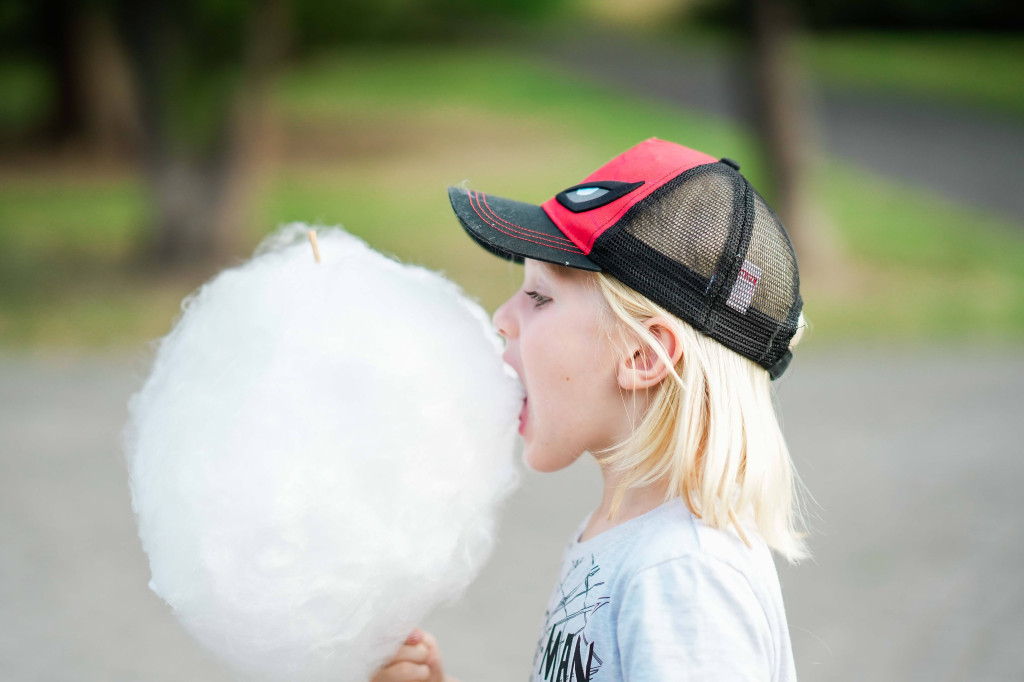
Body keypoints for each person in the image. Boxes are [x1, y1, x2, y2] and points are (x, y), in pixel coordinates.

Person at [371, 138, 810, 682]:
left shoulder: (682, 575)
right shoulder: (619, 535)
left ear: (644, 355)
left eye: (539, 297)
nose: (502, 317)